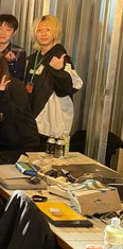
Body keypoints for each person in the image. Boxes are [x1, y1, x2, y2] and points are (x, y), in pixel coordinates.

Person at [26, 14, 83, 149]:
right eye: (39, 30)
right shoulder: (34, 58)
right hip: (34, 122)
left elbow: (68, 89)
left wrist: (59, 70)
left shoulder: (61, 57)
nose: (43, 34)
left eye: (48, 30)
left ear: (55, 32)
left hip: (53, 125)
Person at [0, 50, 38, 152]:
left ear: (3, 67)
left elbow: (15, 116)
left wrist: (2, 94)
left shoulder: (16, 86)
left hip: (23, 144)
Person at [0, 14, 26, 81]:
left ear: (14, 33)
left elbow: (19, 78)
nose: (3, 33)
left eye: (8, 30)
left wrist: (11, 63)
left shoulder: (19, 52)